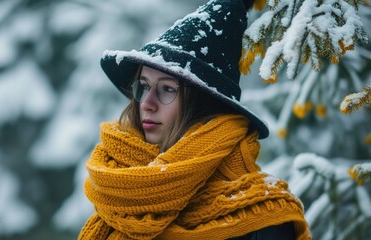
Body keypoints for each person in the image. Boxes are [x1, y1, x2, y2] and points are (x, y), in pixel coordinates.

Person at [79, 0, 311, 239]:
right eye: (144, 86)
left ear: (203, 105)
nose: (147, 104)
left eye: (167, 89)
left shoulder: (262, 218)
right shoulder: (119, 201)